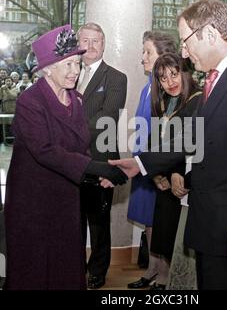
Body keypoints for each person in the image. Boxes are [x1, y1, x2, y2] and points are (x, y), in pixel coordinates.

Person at [109, 0, 227, 290]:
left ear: (211, 34)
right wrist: (139, 164)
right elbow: (192, 135)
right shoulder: (217, 79)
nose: (183, 51)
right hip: (212, 223)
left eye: (186, 40)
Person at [3, 25, 127, 290]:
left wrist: (97, 176)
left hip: (66, 199)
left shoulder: (77, 100)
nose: (75, 71)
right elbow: (45, 150)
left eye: (77, 64)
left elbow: (80, 147)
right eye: (68, 65)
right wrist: (94, 167)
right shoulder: (29, 102)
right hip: (33, 204)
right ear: (47, 69)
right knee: (35, 270)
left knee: (65, 266)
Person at [77, 22, 127, 290]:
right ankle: (74, 269)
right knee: (73, 222)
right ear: (78, 44)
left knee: (98, 224)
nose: (92, 45)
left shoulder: (116, 77)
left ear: (104, 45)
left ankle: (97, 272)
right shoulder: (69, 73)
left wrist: (69, 129)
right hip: (70, 163)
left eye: (97, 41)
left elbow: (106, 118)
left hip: (101, 162)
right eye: (86, 40)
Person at [127, 31, 177, 289]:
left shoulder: (169, 89)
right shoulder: (148, 86)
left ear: (163, 57)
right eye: (143, 51)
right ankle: (152, 270)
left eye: (148, 52)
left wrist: (154, 167)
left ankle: (165, 275)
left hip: (157, 168)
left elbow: (168, 136)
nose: (143, 57)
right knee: (148, 220)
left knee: (161, 222)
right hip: (143, 166)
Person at [149, 53, 202, 290]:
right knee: (168, 242)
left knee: (185, 247)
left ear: (185, 71)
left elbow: (195, 144)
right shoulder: (163, 103)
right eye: (163, 78)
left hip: (186, 182)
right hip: (165, 180)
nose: (170, 82)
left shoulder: (199, 100)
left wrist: (176, 171)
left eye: (174, 73)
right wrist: (156, 174)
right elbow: (157, 141)